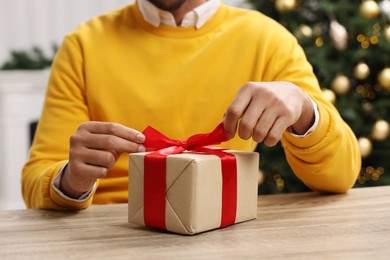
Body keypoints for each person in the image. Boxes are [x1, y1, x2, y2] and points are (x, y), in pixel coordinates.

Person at [22, 0, 361, 210]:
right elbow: (36, 179)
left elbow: (341, 175)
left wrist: (304, 112)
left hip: (220, 226)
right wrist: (70, 181)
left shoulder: (266, 39)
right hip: (105, 234)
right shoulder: (83, 46)